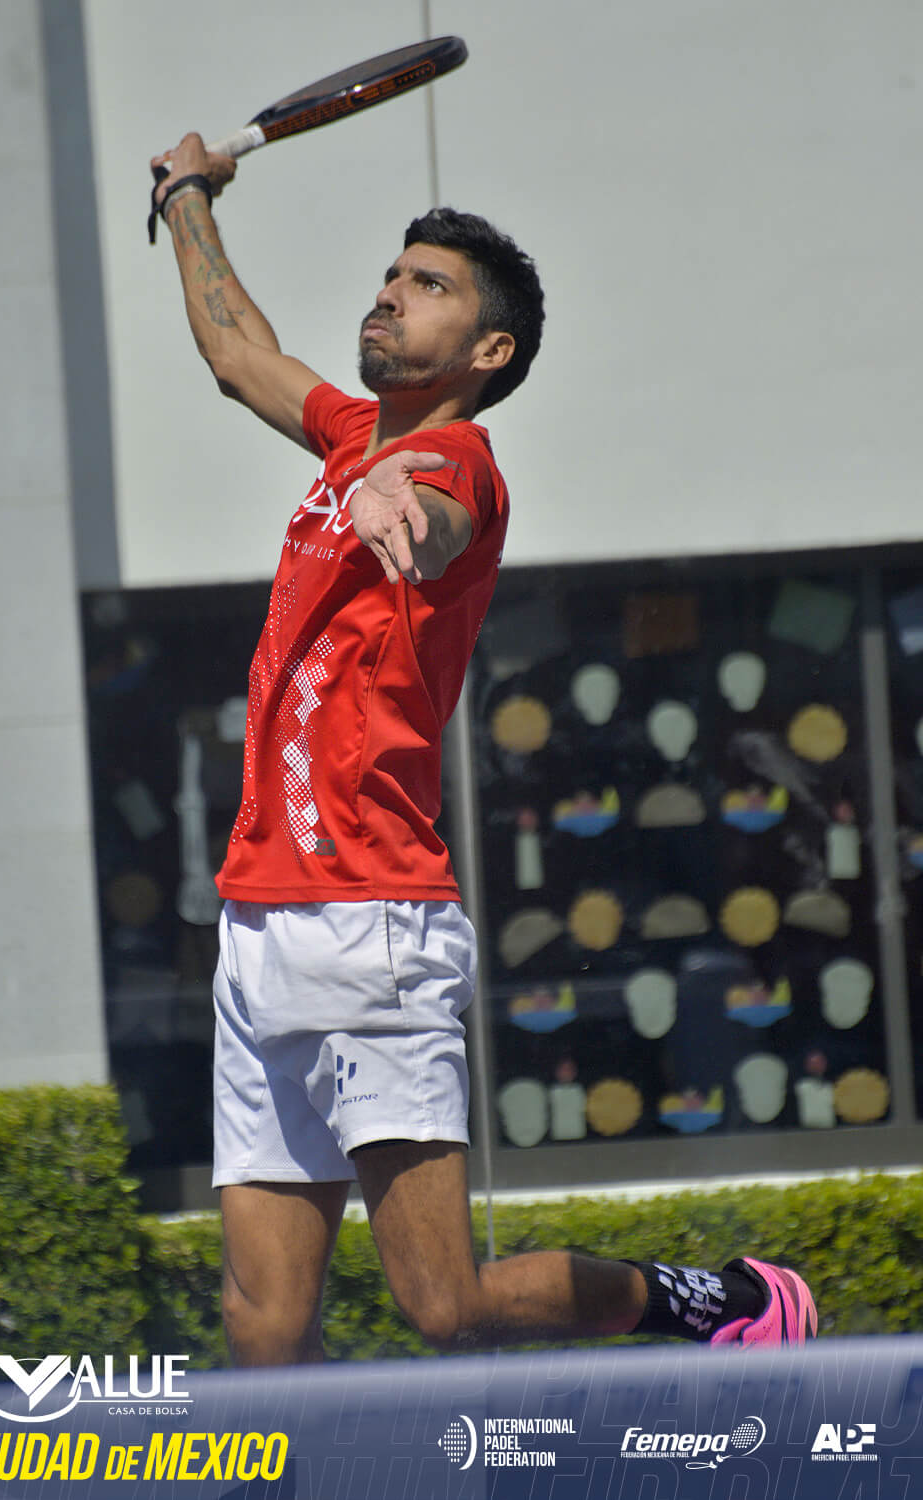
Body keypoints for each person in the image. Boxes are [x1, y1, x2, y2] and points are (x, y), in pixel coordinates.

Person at [150, 133, 818, 1365]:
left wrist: (397, 503)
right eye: (392, 273)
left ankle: (719, 1302)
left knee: (444, 1307)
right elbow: (238, 352)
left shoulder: (460, 464)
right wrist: (189, 196)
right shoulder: (349, 435)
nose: (390, 292)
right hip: (258, 924)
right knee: (262, 1324)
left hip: (371, 922)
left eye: (429, 285)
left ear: (488, 350)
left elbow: (441, 522)